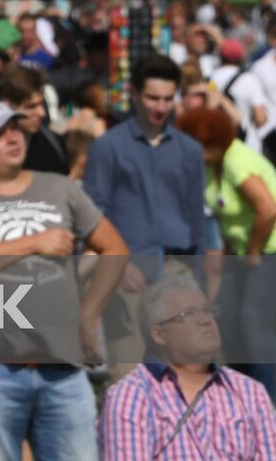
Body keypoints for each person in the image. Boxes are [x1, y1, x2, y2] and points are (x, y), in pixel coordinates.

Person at [0, 101, 128, 461]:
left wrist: (89, 315)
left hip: (64, 369)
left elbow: (114, 248)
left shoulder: (59, 188)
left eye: (15, 129)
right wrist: (35, 242)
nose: (12, 137)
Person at [85, 55, 206, 377]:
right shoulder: (108, 147)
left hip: (179, 267)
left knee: (188, 370)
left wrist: (200, 274)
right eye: (153, 97)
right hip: (128, 269)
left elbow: (196, 215)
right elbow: (92, 214)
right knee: (127, 371)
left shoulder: (189, 150)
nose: (160, 107)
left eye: (168, 99)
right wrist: (117, 263)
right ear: (134, 93)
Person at [98, 276, 276, 459]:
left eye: (208, 310)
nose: (206, 320)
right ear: (159, 335)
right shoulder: (131, 398)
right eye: (189, 314)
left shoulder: (250, 392)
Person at [175, 106, 276, 398]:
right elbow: (227, 216)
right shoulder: (211, 167)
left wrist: (254, 250)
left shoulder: (237, 162)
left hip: (267, 251)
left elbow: (268, 210)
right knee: (225, 317)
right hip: (243, 254)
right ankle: (237, 390)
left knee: (253, 320)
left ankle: (266, 399)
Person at [0, 63, 68, 182]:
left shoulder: (52, 144)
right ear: (6, 105)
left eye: (42, 104)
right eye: (31, 106)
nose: (42, 113)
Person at [211, 38, 276, 159]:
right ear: (241, 57)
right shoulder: (250, 80)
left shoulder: (210, 79)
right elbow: (260, 119)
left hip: (218, 144)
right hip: (247, 145)